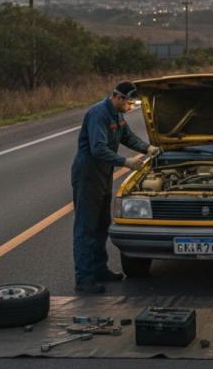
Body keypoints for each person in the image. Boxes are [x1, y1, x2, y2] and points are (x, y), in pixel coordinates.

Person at [71, 81, 161, 293]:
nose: (130, 107)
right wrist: (126, 162)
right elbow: (98, 148)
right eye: (129, 102)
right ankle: (84, 279)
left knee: (102, 224)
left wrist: (148, 148)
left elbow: (127, 137)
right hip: (88, 174)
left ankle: (99, 269)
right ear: (118, 97)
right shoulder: (98, 114)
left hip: (103, 173)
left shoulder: (117, 115)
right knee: (86, 227)